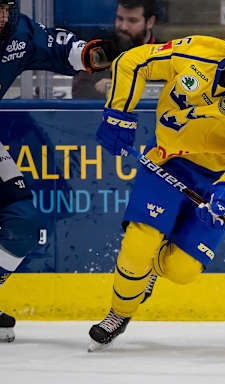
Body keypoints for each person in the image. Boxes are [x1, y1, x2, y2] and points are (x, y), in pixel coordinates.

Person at [87, 18, 225, 351]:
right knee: (138, 245)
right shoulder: (197, 53)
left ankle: (150, 274)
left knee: (182, 270)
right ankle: (118, 314)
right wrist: (117, 113)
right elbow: (132, 63)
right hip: (169, 161)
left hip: (216, 182)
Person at [0, 0, 118, 342]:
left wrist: (91, 54)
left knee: (23, 221)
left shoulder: (17, 32)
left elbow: (56, 46)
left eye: (5, 7)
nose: (2, 16)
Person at [72, 0, 158, 99]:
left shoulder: (164, 52)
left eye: (132, 21)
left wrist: (119, 86)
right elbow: (80, 91)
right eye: (120, 18)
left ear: (150, 22)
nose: (123, 27)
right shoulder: (100, 48)